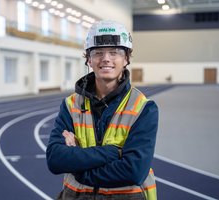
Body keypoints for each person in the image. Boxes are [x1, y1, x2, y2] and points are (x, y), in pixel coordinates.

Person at [46, 20, 158, 200]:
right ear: (89, 59)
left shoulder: (143, 108)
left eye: (114, 52)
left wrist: (81, 172)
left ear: (126, 58)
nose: (106, 58)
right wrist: (113, 152)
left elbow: (134, 171)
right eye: (98, 53)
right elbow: (55, 159)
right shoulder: (70, 104)